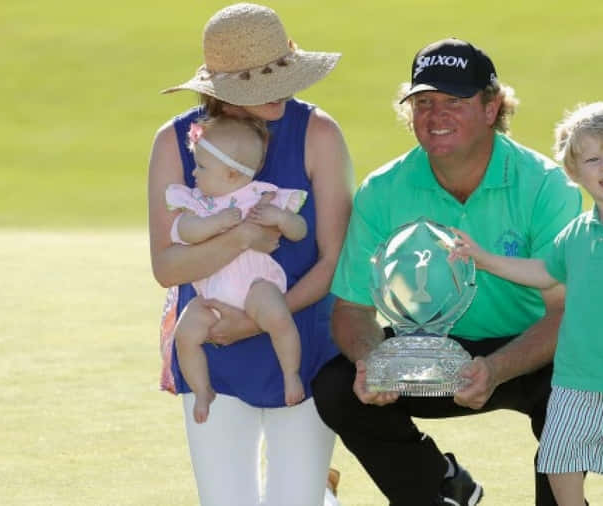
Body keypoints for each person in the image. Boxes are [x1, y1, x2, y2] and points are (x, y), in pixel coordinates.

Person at [311, 37, 583, 506]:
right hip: (425, 352)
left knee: (577, 384)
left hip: (530, 350)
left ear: (492, 107)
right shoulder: (384, 190)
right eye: (423, 102)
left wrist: (495, 369)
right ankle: (438, 489)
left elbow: (567, 313)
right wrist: (373, 365)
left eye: (454, 101)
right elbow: (352, 311)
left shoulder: (545, 185)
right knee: (338, 387)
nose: (435, 116)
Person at [148, 3, 353, 505]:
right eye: (264, 83)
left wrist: (258, 322)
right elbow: (166, 267)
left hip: (302, 344)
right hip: (212, 346)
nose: (283, 92)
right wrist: (240, 238)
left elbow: (334, 261)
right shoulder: (174, 142)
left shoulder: (319, 133)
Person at [455, 102, 603, 506]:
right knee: (558, 462)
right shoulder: (577, 232)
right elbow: (544, 272)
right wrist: (483, 258)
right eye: (592, 158)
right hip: (576, 380)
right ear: (574, 171)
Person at [168, 116, 311, 422]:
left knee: (277, 316)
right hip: (210, 295)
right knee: (185, 334)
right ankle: (202, 389)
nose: (193, 173)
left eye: (202, 167)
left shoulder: (262, 197)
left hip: (254, 284)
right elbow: (183, 231)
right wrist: (213, 224)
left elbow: (299, 230)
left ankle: (291, 374)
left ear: (232, 173)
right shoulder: (199, 203)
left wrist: (282, 219)